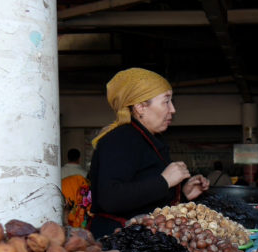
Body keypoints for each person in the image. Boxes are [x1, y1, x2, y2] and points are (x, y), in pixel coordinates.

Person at [86, 68, 209, 238]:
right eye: (166, 101)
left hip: (141, 240)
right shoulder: (119, 139)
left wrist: (183, 193)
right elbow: (111, 198)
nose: (172, 109)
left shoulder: (147, 139)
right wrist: (164, 181)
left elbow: (145, 196)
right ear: (140, 107)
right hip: (117, 242)